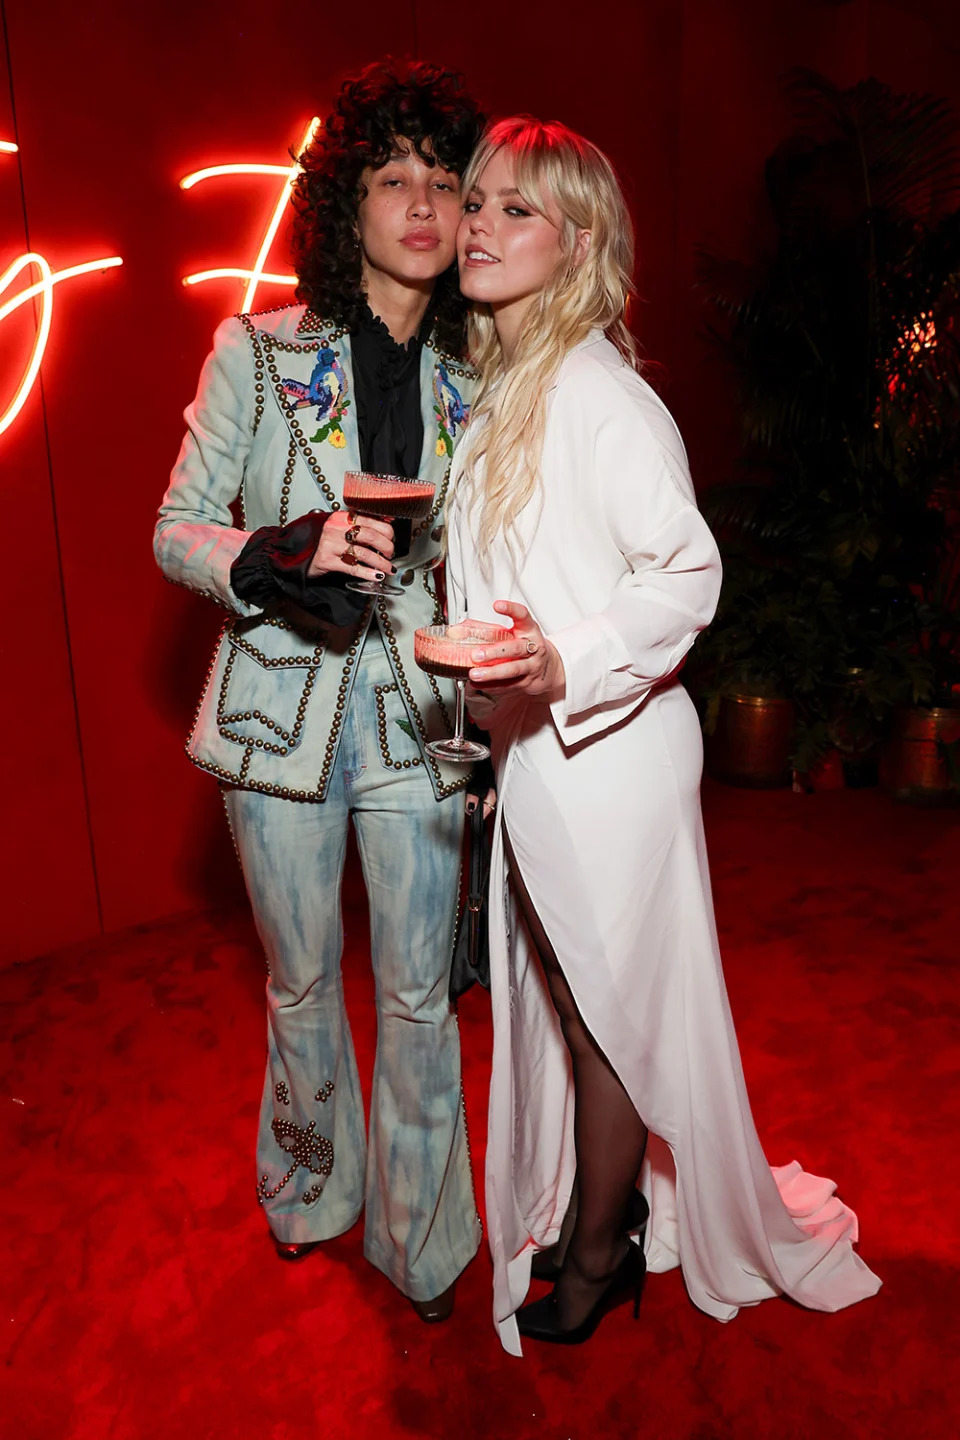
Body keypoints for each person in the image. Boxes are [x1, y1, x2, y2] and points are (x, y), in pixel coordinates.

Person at [444, 116, 882, 1354]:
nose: (478, 222)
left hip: (609, 754)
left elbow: (687, 574)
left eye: (515, 209)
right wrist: (488, 720)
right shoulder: (510, 387)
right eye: (476, 200)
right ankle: (608, 1221)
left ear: (578, 243)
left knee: (603, 1008)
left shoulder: (597, 393)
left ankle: (599, 1248)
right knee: (585, 1002)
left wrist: (560, 663)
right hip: (543, 749)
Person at [154, 59, 486, 1322]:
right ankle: (309, 1194)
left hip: (417, 716)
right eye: (390, 176)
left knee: (414, 992)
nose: (420, 203)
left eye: (445, 181)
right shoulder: (254, 347)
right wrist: (279, 549)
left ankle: (423, 1238)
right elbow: (175, 527)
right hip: (273, 716)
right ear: (345, 203)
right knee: (299, 982)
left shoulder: (485, 382)